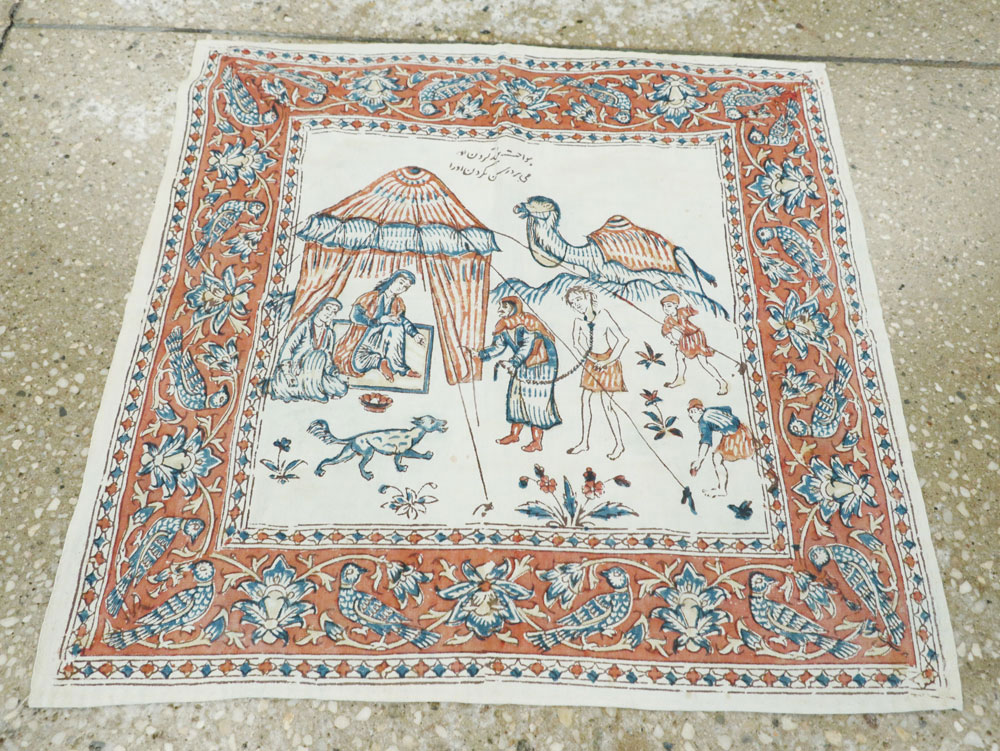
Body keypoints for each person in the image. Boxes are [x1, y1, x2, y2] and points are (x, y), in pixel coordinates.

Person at [476, 296, 561, 453]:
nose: (500, 310)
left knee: (536, 402)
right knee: (516, 397)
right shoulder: (504, 325)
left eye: (504, 307)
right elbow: (498, 347)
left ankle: (537, 441)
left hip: (541, 365)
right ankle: (514, 435)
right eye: (500, 307)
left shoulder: (529, 322)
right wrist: (481, 354)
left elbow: (527, 347)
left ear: (514, 308)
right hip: (522, 363)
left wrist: (513, 363)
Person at [563, 286, 629, 460]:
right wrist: (590, 359)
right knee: (585, 399)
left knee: (606, 404)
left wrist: (607, 361)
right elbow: (576, 343)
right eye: (573, 302)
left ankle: (619, 444)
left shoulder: (604, 315)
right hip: (592, 362)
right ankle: (584, 442)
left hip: (608, 361)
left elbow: (622, 340)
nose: (576, 304)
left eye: (579, 299)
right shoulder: (579, 321)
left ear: (589, 297)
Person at [334, 270, 426, 383]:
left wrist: (415, 334)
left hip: (384, 340)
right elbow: (355, 316)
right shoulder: (371, 297)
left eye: (405, 287)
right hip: (364, 338)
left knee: (396, 326)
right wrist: (380, 320)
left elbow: (402, 321)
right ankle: (380, 363)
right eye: (401, 282)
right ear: (392, 280)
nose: (401, 288)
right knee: (358, 365)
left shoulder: (399, 303)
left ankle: (401, 368)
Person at [269, 297, 349, 402]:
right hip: (297, 371)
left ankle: (312, 389)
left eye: (334, 312)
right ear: (320, 308)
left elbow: (328, 358)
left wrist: (334, 373)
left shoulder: (329, 333)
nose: (329, 313)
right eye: (328, 309)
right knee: (318, 355)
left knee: (341, 388)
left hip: (316, 374)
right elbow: (288, 348)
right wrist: (287, 373)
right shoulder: (305, 327)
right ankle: (312, 391)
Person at [687, 398, 757, 497]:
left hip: (735, 436)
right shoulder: (710, 410)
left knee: (717, 458)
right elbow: (728, 409)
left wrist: (699, 461)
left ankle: (722, 490)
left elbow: (705, 442)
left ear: (700, 410)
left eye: (692, 411)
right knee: (718, 455)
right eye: (689, 413)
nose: (691, 415)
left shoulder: (703, 422)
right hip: (743, 428)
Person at [660, 293, 728, 395]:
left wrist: (684, 294)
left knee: (704, 363)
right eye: (664, 306)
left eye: (669, 306)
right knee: (679, 356)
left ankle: (722, 382)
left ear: (676, 305)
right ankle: (680, 378)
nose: (666, 309)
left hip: (696, 337)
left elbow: (694, 309)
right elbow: (665, 332)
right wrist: (673, 340)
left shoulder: (682, 312)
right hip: (685, 339)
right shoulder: (669, 319)